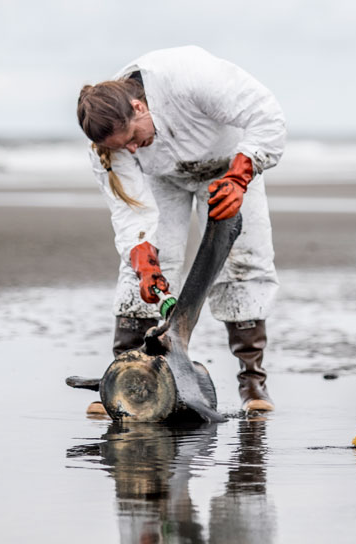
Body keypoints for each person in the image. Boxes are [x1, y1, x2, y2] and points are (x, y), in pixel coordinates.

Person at [76, 46, 285, 412]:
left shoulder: (190, 76)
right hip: (164, 179)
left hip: (228, 165)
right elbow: (130, 210)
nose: (131, 149)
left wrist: (240, 176)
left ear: (139, 107)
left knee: (245, 263)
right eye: (122, 148)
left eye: (131, 138)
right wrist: (142, 255)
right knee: (145, 269)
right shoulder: (108, 144)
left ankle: (253, 385)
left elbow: (267, 116)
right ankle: (124, 376)